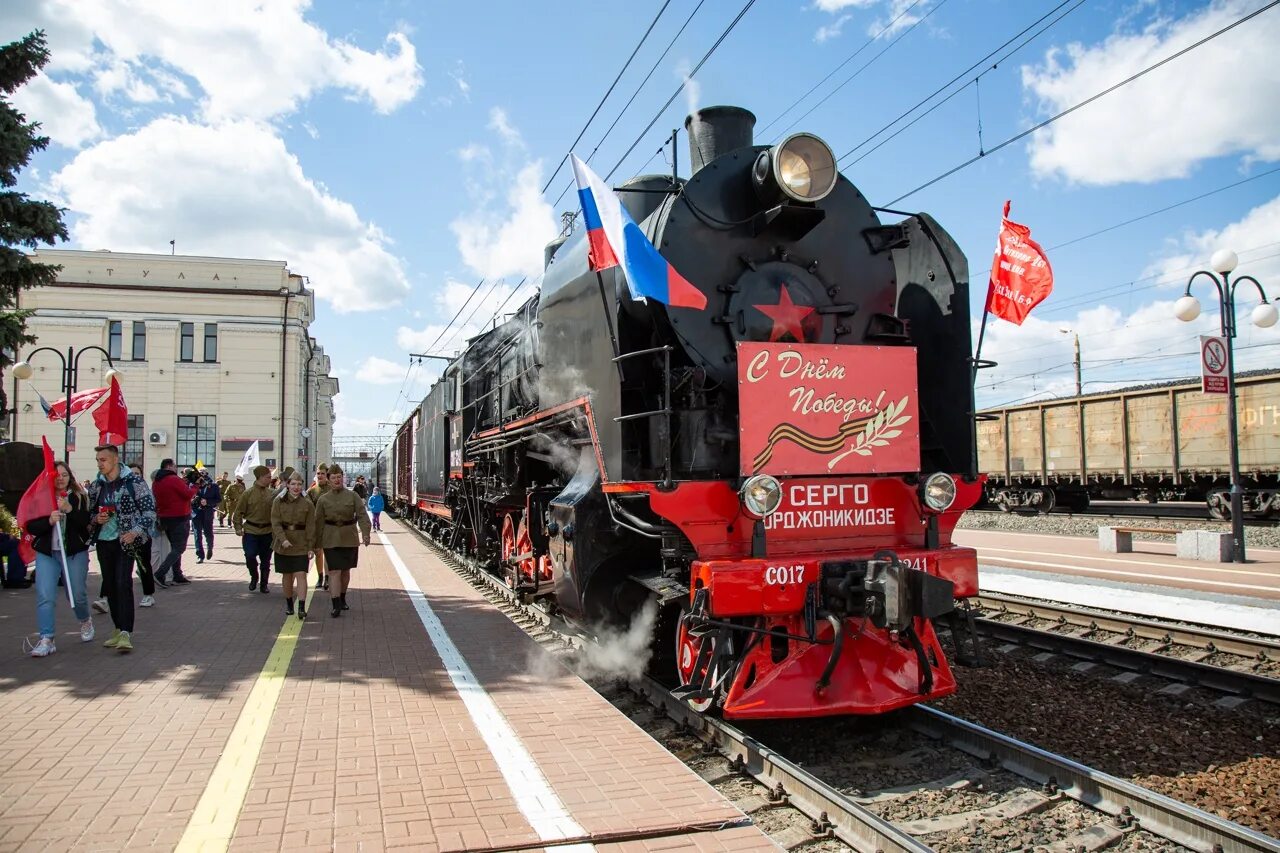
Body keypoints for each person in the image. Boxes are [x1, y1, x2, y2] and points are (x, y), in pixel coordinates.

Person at [87, 445, 156, 653]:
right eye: (98, 459)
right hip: (104, 542)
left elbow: (150, 511)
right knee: (109, 585)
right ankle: (117, 628)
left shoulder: (133, 482)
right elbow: (88, 515)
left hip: (126, 542)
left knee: (122, 582)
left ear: (115, 459)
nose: (100, 464)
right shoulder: (97, 485)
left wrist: (134, 532)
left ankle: (126, 632)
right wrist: (96, 519)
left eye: (103, 460)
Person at [26, 461, 94, 657]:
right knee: (45, 595)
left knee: (76, 593)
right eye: (57, 475)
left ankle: (85, 619)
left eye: (65, 474)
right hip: (48, 553)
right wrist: (48, 520)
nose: (61, 478)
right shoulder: (41, 498)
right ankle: (47, 638)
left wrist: (69, 510)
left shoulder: (79, 496)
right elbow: (31, 526)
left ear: (70, 477)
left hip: (74, 552)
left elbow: (86, 525)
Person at [313, 465, 370, 618]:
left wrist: (366, 533)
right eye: (333, 478)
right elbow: (318, 522)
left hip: (349, 537)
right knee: (334, 571)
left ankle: (343, 597)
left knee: (345, 571)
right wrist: (316, 544)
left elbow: (362, 515)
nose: (337, 480)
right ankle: (335, 604)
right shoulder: (323, 500)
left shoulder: (353, 496)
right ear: (329, 480)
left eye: (339, 477)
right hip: (330, 538)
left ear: (342, 478)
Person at [272, 470, 315, 619]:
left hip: (301, 543)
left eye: (299, 484)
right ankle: (289, 604)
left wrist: (311, 547)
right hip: (283, 544)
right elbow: (275, 523)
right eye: (293, 484)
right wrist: (283, 539)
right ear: (287, 485)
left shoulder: (307, 503)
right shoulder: (278, 501)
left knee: (301, 574)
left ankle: (301, 607)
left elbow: (311, 527)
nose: (296, 487)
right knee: (287, 576)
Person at [152, 459, 196, 585]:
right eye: (175, 466)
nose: (176, 468)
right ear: (169, 466)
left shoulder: (157, 481)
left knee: (174, 547)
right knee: (179, 548)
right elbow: (188, 494)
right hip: (179, 518)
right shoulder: (173, 479)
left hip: (165, 518)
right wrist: (195, 486)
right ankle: (160, 573)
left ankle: (177, 574)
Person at [231, 465, 275, 593]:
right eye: (268, 477)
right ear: (260, 477)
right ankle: (254, 576)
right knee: (250, 555)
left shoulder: (272, 493)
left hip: (267, 531)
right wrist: (238, 527)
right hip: (251, 531)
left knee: (266, 560)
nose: (270, 479)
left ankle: (264, 584)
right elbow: (238, 512)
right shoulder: (248, 494)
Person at [127, 463, 158, 607]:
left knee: (143, 565)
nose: (134, 476)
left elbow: (150, 512)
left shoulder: (145, 490)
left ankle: (148, 594)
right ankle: (106, 597)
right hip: (124, 535)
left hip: (142, 535)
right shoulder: (122, 489)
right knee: (119, 568)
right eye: (131, 473)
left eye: (137, 473)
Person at [306, 467, 331, 590]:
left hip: (329, 525)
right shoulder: (312, 491)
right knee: (318, 552)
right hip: (316, 526)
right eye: (318, 473)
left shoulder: (332, 490)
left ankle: (327, 578)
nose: (320, 475)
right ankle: (320, 577)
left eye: (323, 473)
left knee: (328, 552)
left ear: (327, 475)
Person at [191, 471, 220, 562]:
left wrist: (207, 502)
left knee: (208, 533)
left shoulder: (213, 486)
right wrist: (192, 500)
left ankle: (210, 547)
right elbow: (187, 497)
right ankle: (200, 555)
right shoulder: (193, 485)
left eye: (203, 474)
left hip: (207, 513)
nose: (201, 476)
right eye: (199, 475)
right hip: (196, 513)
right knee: (197, 534)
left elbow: (218, 499)